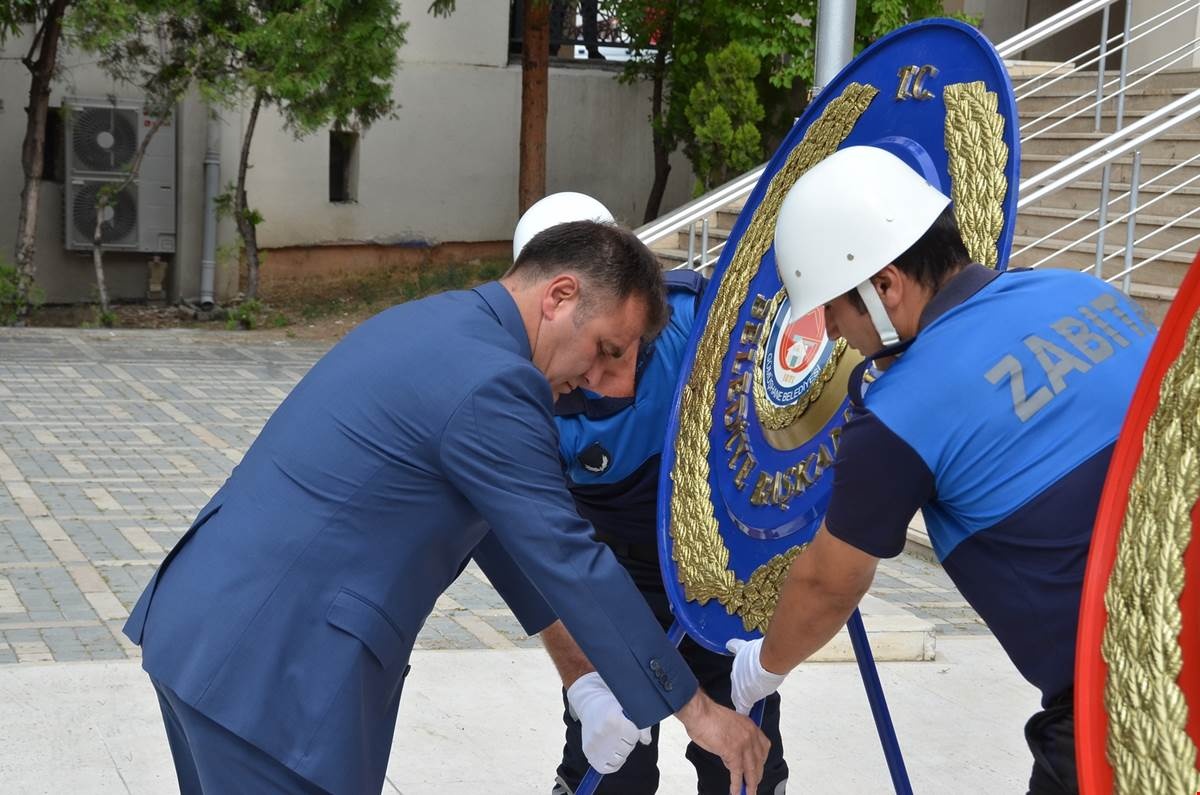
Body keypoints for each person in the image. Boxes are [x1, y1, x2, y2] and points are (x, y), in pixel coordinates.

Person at [124, 219, 770, 795]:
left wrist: (584, 679)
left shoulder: (444, 326)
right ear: (560, 296)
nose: (611, 383)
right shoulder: (496, 382)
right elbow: (570, 557)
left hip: (214, 636)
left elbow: (504, 535)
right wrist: (698, 711)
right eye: (607, 349)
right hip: (275, 672)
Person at [726, 145, 1155, 795]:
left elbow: (826, 585)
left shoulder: (903, 411)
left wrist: (763, 665)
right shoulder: (1088, 293)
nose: (837, 335)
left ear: (886, 286)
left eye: (835, 311)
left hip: (1128, 706)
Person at [510, 196, 790, 794]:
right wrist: (584, 687)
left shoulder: (697, 319)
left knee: (742, 765)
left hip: (715, 568)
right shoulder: (518, 386)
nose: (601, 372)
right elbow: (537, 552)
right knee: (612, 769)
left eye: (619, 343)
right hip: (610, 581)